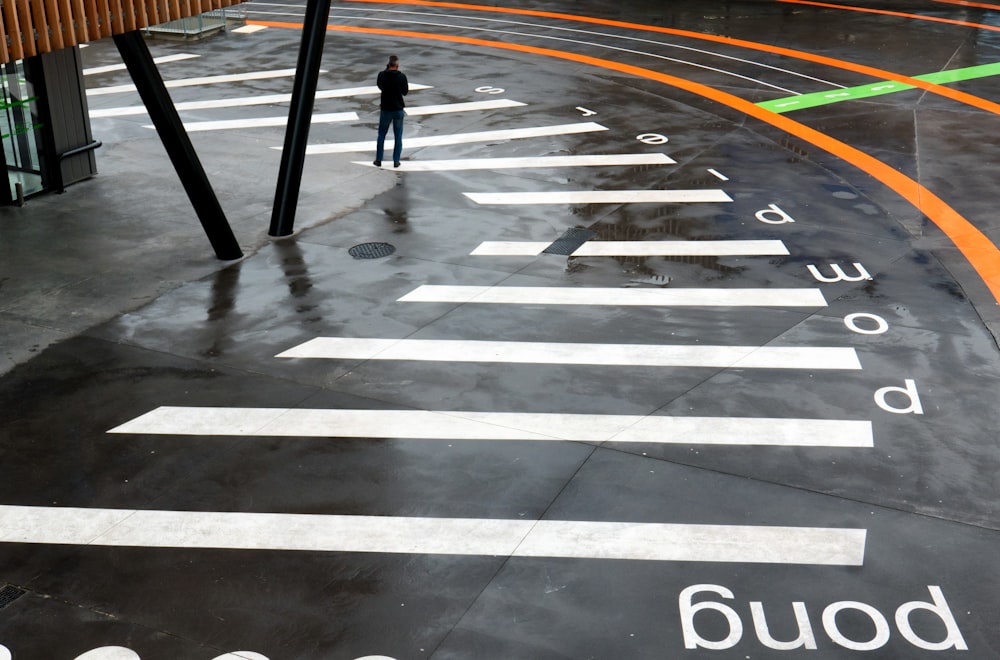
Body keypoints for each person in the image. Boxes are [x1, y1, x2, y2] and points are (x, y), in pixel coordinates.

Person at [374, 55, 408, 168]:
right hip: (398, 109)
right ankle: (396, 161)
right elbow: (405, 92)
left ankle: (379, 159)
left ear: (388, 64)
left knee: (381, 135)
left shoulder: (382, 75)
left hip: (386, 109)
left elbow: (380, 86)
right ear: (397, 65)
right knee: (398, 136)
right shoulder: (401, 77)